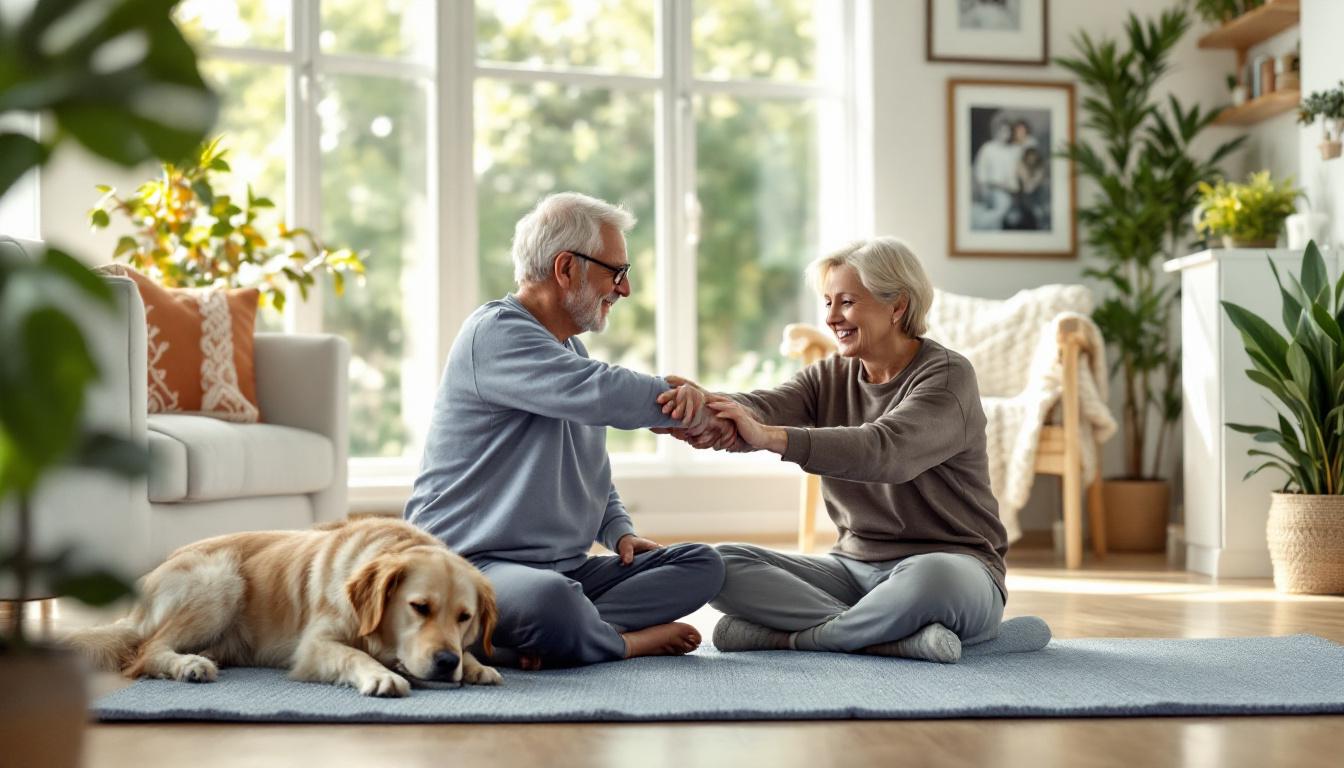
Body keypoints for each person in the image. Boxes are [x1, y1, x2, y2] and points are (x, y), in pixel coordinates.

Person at [661, 237, 1050, 664]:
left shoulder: (948, 377)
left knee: (930, 580)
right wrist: (703, 408)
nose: (831, 318)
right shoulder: (829, 375)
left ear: (897, 306)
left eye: (845, 302)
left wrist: (770, 437)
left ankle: (797, 638)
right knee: (718, 564)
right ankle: (891, 638)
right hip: (852, 570)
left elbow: (887, 450)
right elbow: (763, 405)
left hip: (953, 568)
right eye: (827, 302)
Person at [405, 192, 724, 669]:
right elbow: (601, 392)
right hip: (470, 566)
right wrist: (683, 402)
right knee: (551, 599)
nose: (625, 288)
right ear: (566, 268)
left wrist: (619, 533)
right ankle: (621, 641)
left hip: (564, 570)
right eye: (616, 272)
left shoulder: (569, 351)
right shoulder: (493, 334)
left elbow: (589, 467)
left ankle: (545, 638)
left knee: (703, 565)